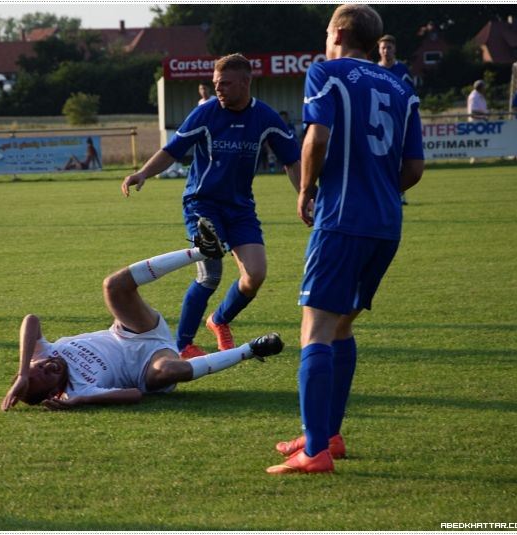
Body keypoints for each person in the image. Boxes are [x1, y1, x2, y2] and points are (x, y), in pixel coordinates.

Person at [266, 4, 424, 475]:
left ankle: (313, 452)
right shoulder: (401, 86)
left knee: (315, 328)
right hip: (386, 225)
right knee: (342, 327)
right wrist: (379, 193)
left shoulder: (326, 73)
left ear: (336, 31)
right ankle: (328, 436)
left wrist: (307, 189)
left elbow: (316, 137)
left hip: (340, 219)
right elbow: (414, 168)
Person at [121, 53, 301, 360]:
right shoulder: (205, 113)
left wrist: (305, 195)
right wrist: (143, 173)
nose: (219, 89)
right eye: (216, 84)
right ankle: (184, 345)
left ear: (246, 82)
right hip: (201, 204)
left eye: (226, 84)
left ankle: (219, 320)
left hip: (241, 207)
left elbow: (292, 161)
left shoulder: (265, 117)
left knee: (255, 276)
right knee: (209, 274)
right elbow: (173, 150)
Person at [1, 218, 284, 411]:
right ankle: (251, 350)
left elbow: (31, 320)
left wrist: (24, 371)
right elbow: (135, 394)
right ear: (53, 395)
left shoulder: (43, 352)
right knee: (171, 370)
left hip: (132, 331)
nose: (47, 366)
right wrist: (80, 403)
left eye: (40, 366)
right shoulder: (77, 392)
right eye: (45, 375)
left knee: (113, 286)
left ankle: (202, 251)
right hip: (146, 366)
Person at [377, 34, 413, 204]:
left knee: (398, 157)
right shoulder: (373, 70)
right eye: (383, 47)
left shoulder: (403, 71)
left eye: (389, 47)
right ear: (378, 50)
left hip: (397, 120)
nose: (386, 51)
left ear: (394, 49)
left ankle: (399, 192)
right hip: (377, 123)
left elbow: (411, 96)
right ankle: (379, 193)